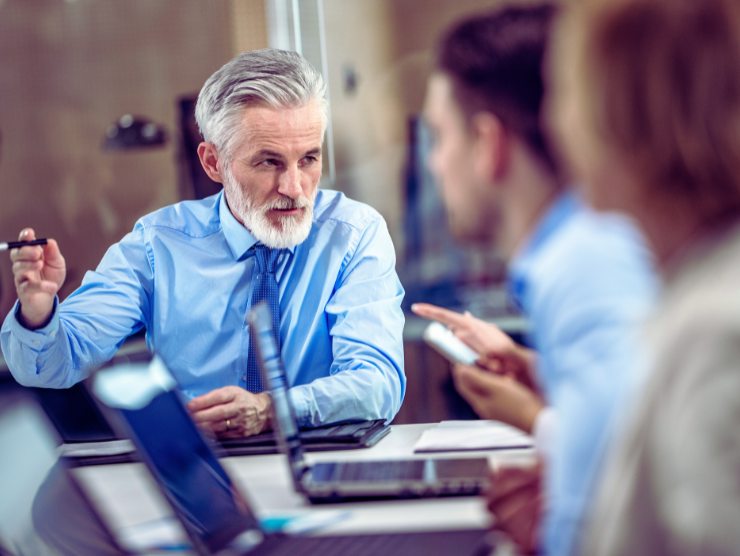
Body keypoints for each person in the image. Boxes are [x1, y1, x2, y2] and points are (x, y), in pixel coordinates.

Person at [1, 49, 406, 438]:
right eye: (269, 162)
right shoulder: (158, 245)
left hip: (323, 460)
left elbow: (378, 385)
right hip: (200, 471)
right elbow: (51, 367)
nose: (294, 187)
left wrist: (271, 410)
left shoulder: (353, 234)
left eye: (308, 159)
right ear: (213, 162)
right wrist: (37, 316)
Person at [413, 5, 656, 554]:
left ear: (488, 145)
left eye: (440, 137)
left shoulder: (583, 267)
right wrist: (542, 376)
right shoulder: (587, 250)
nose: (434, 164)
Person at [549, 0, 740, 553]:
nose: (555, 121)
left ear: (622, 112)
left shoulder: (714, 337)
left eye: (563, 91)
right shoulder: (700, 294)